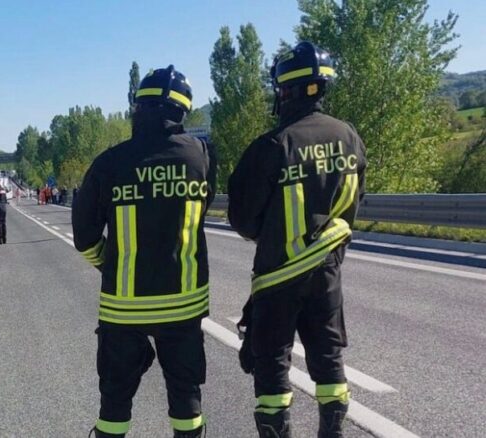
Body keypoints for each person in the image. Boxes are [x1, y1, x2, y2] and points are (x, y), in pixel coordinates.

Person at [229, 41, 366, 438]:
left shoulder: (273, 145)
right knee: (329, 360)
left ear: (284, 90)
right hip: (327, 274)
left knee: (272, 367)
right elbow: (355, 203)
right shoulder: (349, 137)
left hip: (277, 277)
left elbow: (242, 219)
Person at [73, 65, 216, 438]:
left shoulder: (109, 163)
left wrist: (113, 265)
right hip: (183, 304)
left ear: (138, 108)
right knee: (186, 396)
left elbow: (84, 237)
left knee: (115, 402)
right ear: (183, 113)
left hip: (124, 307)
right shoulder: (201, 157)